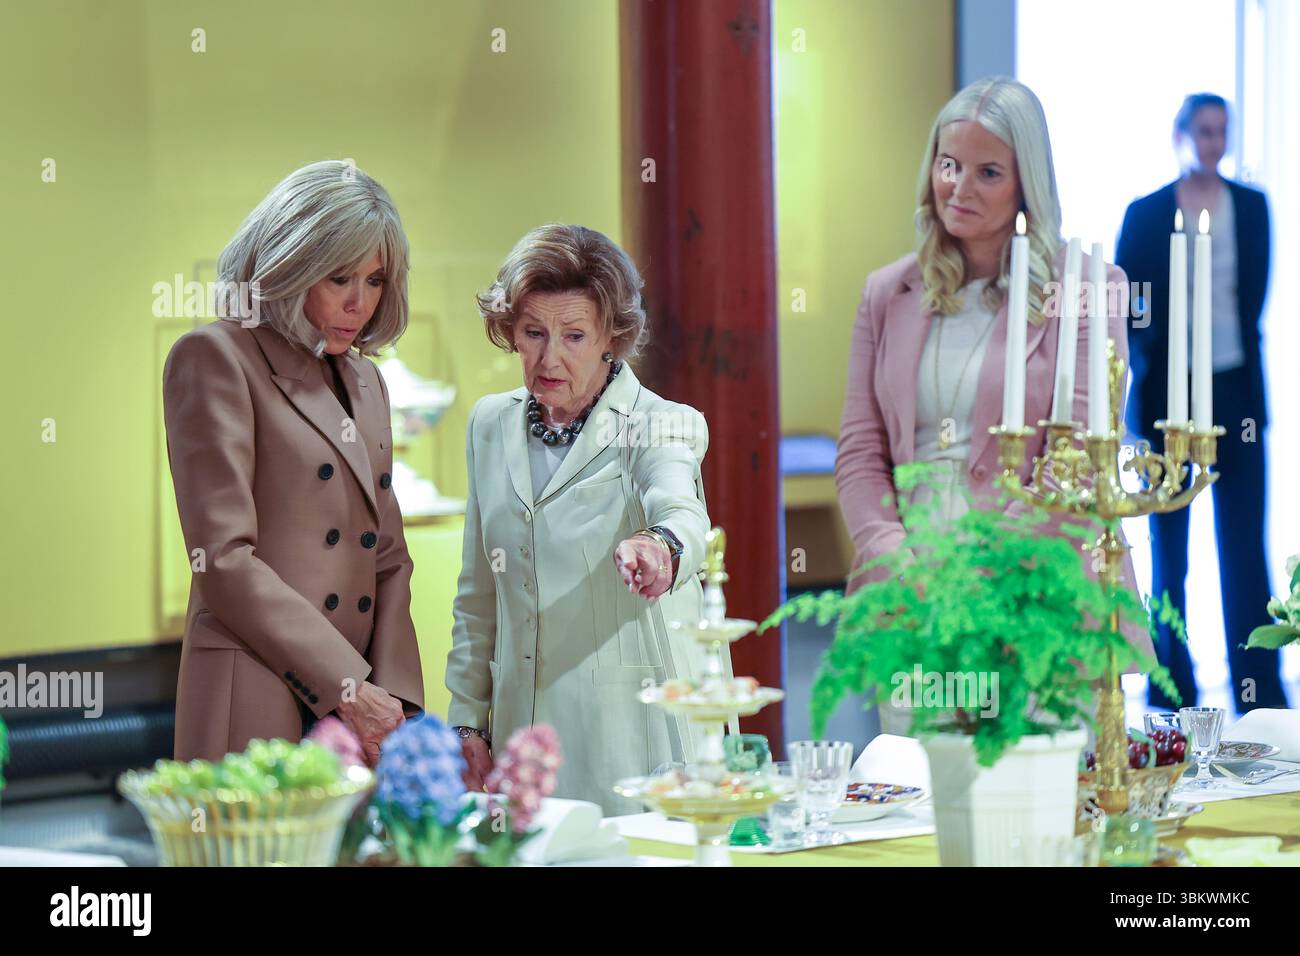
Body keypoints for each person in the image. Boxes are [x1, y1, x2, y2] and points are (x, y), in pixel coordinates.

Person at [835, 77, 1153, 734]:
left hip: (1038, 591)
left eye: (987, 171)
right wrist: (897, 556)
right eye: (948, 165)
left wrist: (982, 569)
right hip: (913, 592)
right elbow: (861, 451)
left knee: (1050, 814)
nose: (959, 186)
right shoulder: (885, 292)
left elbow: (1079, 458)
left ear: (1025, 183)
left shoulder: (1088, 286)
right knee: (928, 812)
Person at [445, 223, 722, 814]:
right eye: (532, 333)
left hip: (631, 739)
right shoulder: (490, 424)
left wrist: (660, 546)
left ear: (611, 339)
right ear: (509, 333)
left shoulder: (663, 422)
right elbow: (477, 594)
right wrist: (467, 723)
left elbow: (681, 511)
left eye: (574, 335)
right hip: (522, 745)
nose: (549, 358)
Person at [163, 160, 424, 768]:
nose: (359, 303)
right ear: (287, 262)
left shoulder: (368, 380)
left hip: (365, 702)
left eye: (376, 280)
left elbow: (389, 557)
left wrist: (398, 700)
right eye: (339, 278)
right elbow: (223, 560)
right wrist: (348, 688)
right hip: (258, 689)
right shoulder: (215, 356)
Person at [1116, 93, 1286, 712]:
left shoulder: (1252, 208)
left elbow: (1252, 298)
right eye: (1203, 131)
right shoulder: (1146, 213)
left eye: (1222, 132)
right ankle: (1174, 689)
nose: (1213, 143)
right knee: (1170, 550)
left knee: (1244, 545)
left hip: (1236, 388)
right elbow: (1129, 307)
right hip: (1167, 395)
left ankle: (1259, 691)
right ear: (1181, 135)